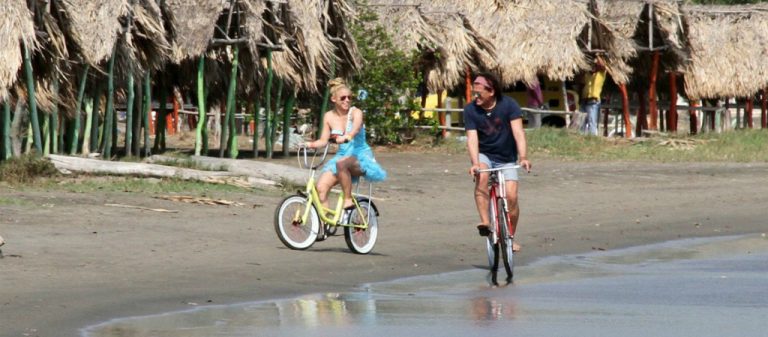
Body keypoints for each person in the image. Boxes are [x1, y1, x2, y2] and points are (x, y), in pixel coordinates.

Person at [464, 72, 532, 252]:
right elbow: (472, 139)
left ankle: (509, 237)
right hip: (485, 155)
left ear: (491, 91)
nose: (475, 97)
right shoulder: (470, 110)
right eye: (474, 93)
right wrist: (475, 163)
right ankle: (486, 222)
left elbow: (519, 133)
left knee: (512, 196)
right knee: (482, 178)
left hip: (506, 157)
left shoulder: (509, 105)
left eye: (479, 93)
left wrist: (523, 157)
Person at [304, 78, 386, 224]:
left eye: (350, 97)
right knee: (321, 187)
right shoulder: (328, 116)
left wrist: (347, 136)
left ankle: (348, 200)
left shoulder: (356, 112)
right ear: (334, 99)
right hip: (342, 157)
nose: (347, 100)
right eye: (343, 98)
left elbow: (355, 128)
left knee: (341, 164)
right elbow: (323, 140)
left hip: (360, 156)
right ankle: (325, 224)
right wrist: (308, 144)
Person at [580, 54, 607, 136]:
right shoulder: (588, 74)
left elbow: (602, 65)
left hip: (593, 100)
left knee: (592, 120)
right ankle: (581, 138)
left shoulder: (601, 73)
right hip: (584, 99)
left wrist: (597, 55)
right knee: (581, 120)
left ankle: (592, 138)